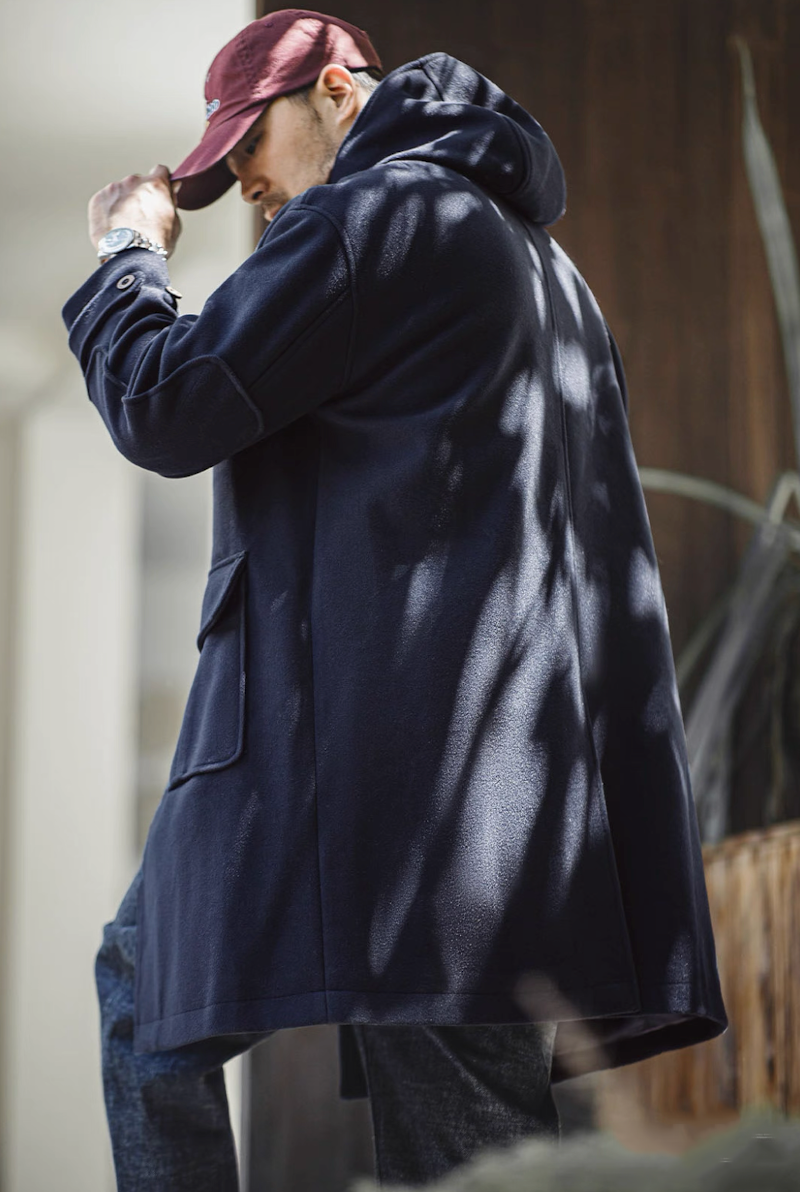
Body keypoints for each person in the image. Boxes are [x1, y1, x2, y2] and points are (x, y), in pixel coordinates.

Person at [62, 8, 727, 1189]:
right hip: (495, 796)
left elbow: (168, 402)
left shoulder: (379, 212)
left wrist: (127, 256)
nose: (250, 185)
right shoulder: (538, 260)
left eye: (246, 146)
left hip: (380, 770)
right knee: (460, 1138)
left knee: (143, 988)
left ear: (333, 88)